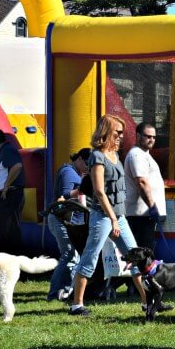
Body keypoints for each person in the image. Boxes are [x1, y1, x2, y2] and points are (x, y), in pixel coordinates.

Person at [68, 115, 147, 317]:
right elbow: (99, 191)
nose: (121, 136)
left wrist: (117, 217)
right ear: (106, 132)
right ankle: (77, 305)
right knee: (90, 257)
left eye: (122, 132)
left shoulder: (115, 155)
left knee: (136, 256)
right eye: (117, 132)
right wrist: (112, 219)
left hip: (118, 216)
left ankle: (148, 302)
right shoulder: (97, 157)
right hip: (103, 216)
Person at [46, 148, 89, 302]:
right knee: (69, 254)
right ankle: (56, 291)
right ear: (79, 159)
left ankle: (65, 290)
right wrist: (84, 188)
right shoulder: (68, 172)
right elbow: (64, 196)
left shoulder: (73, 172)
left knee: (72, 254)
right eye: (87, 163)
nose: (88, 167)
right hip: (60, 219)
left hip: (64, 219)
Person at [124, 122, 167, 254]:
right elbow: (141, 182)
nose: (151, 140)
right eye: (148, 136)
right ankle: (141, 276)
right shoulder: (137, 155)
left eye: (154, 137)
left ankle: (141, 275)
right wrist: (152, 206)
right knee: (143, 256)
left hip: (144, 215)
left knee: (144, 255)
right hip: (141, 216)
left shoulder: (144, 154)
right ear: (137, 136)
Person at [0, 128, 25, 255]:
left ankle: (15, 259)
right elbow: (6, 172)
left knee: (10, 230)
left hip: (11, 195)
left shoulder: (8, 150)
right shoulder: (4, 152)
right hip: (6, 195)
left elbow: (17, 166)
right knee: (0, 229)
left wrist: (6, 185)